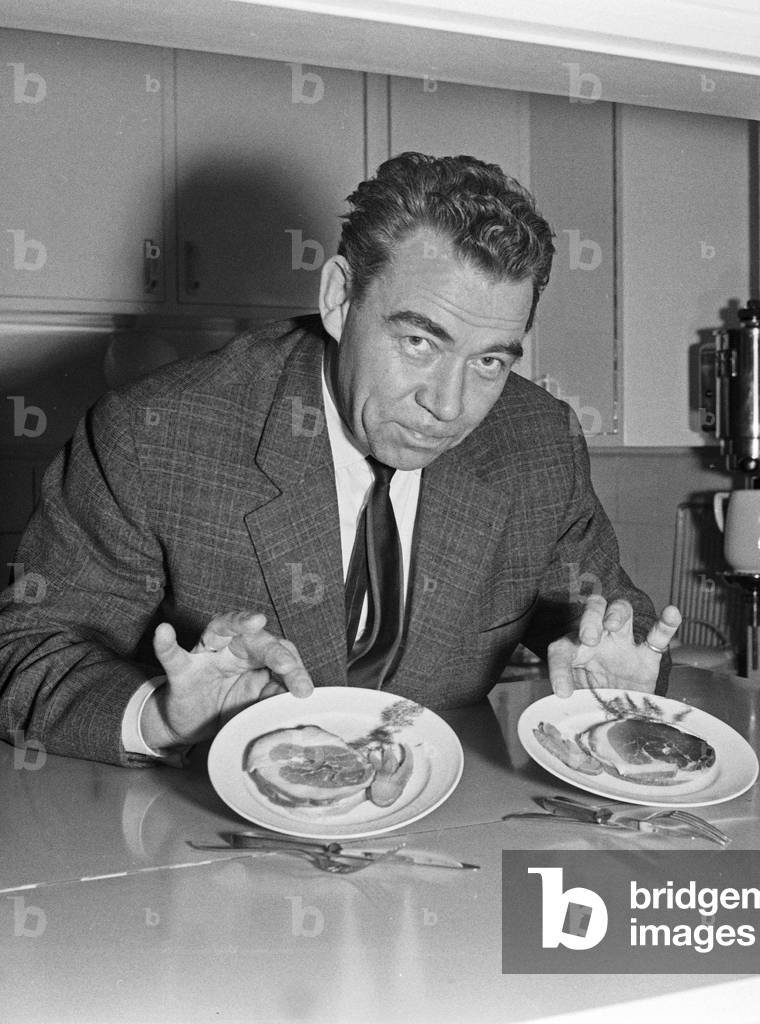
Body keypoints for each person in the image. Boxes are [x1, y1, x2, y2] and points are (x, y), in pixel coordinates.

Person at [0, 152, 680, 767]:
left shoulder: (538, 443)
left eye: (490, 360)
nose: (449, 404)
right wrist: (162, 714)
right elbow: (25, 654)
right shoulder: (155, 436)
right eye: (418, 340)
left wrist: (618, 670)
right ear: (339, 298)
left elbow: (612, 620)